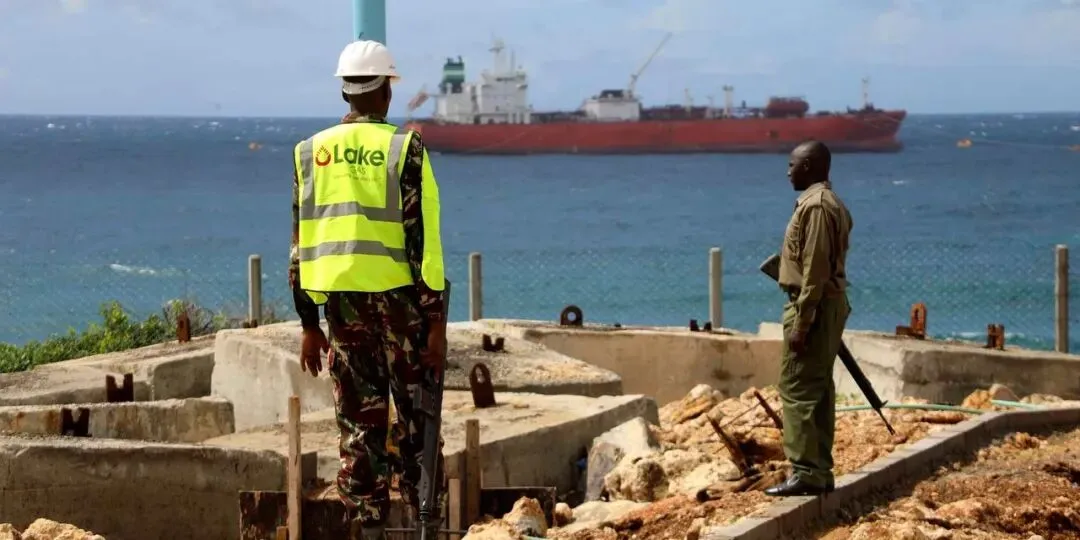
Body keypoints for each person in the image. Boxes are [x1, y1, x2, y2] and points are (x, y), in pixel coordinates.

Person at [288, 39, 448, 540]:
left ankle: (367, 529)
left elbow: (300, 245)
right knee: (419, 424)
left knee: (359, 430)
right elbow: (425, 244)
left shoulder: (309, 153)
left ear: (345, 91)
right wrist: (436, 325)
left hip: (340, 310)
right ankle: (427, 524)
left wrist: (308, 325)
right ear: (385, 92)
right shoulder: (406, 149)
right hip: (403, 310)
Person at [764, 140, 853, 497]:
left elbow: (815, 270)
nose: (788, 171)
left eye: (793, 165)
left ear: (810, 166)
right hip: (824, 304)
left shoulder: (815, 207)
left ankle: (806, 472)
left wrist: (802, 322)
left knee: (798, 388)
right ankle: (818, 470)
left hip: (811, 306)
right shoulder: (828, 203)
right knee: (817, 387)